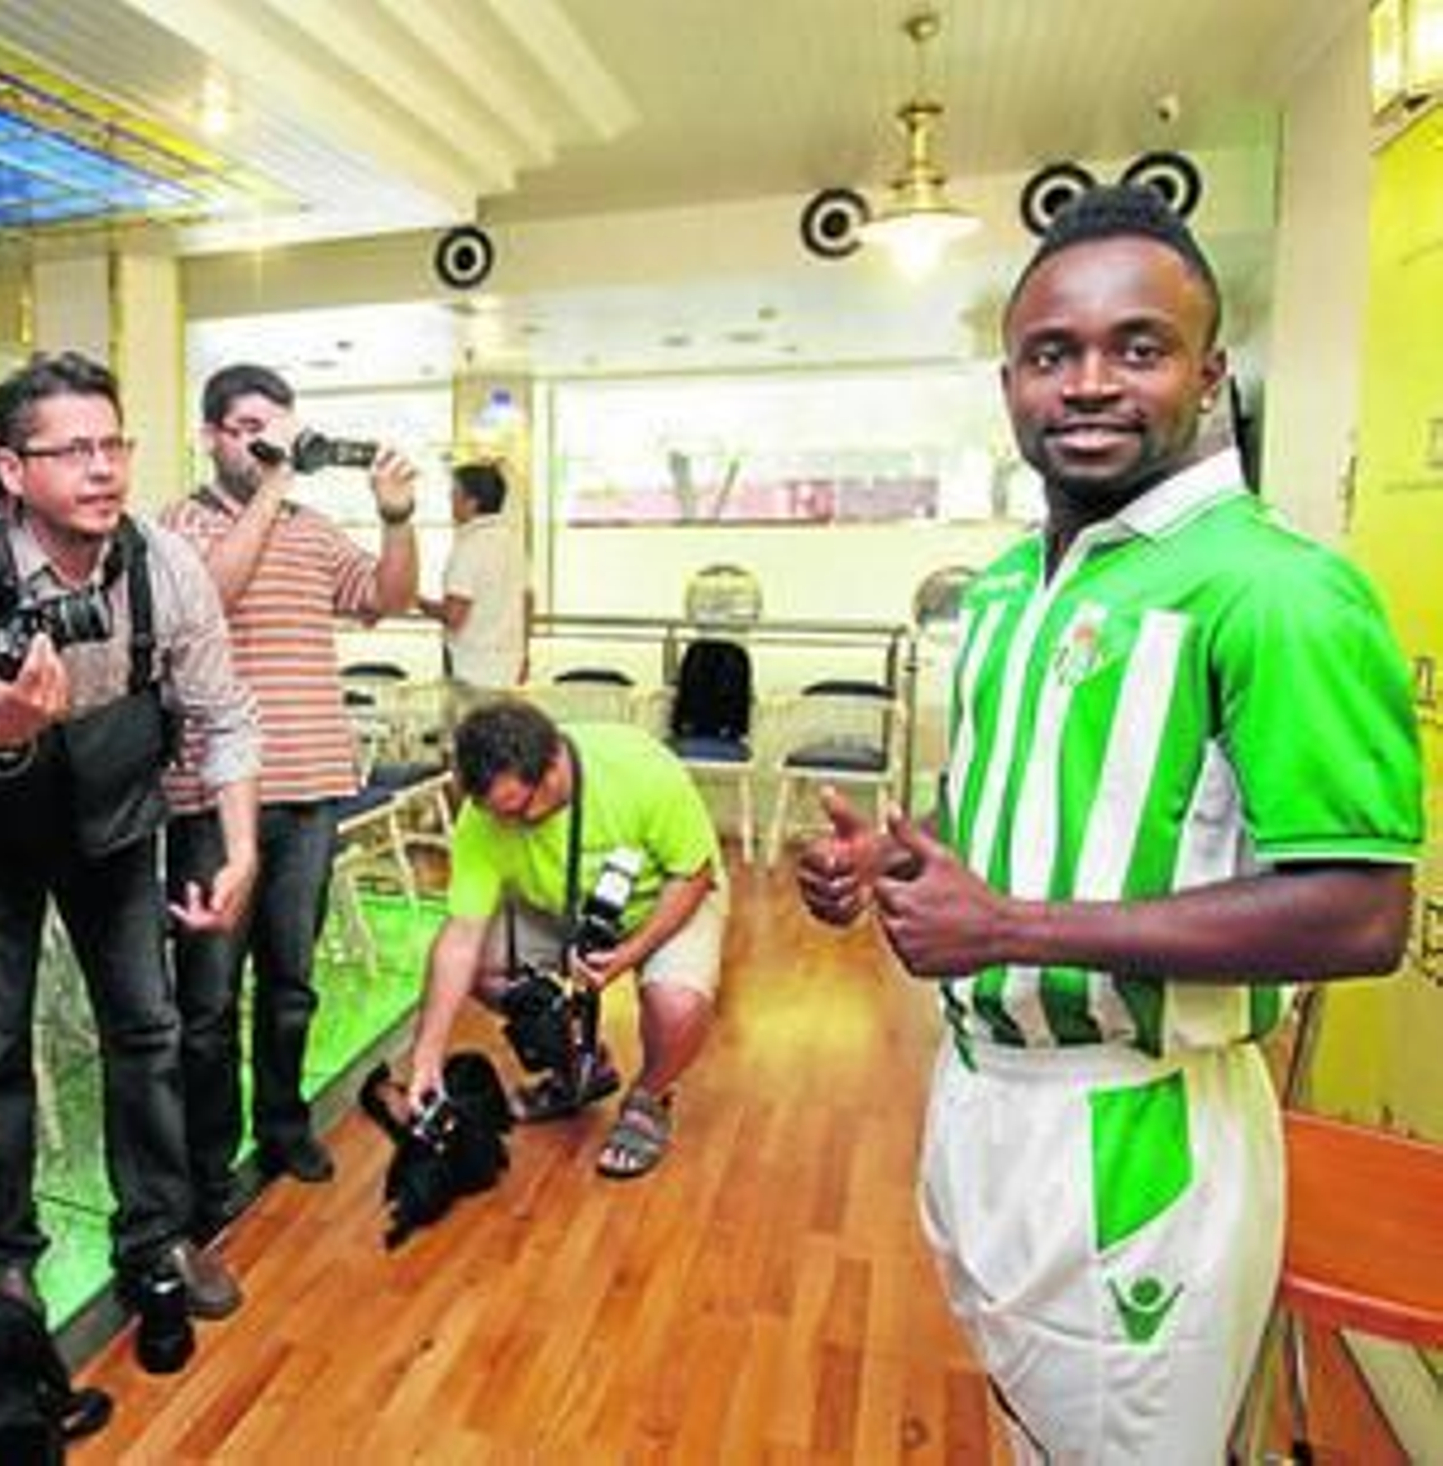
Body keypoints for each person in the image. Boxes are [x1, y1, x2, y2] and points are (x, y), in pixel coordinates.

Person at [796, 185, 1422, 1463]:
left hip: (1141, 1128)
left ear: (1208, 371)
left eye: (1136, 347)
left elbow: (1362, 911)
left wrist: (1011, 923)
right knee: (1036, 1432)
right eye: (1050, 353)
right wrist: (894, 852)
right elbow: (989, 799)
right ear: (1009, 380)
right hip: (977, 1100)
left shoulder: (1277, 591)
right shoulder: (1010, 584)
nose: (1087, 383)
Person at [0, 351, 261, 1325]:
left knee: (146, 1033)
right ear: (14, 471)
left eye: (114, 444)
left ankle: (157, 1233)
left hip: (115, 824)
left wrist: (241, 846)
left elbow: (223, 713)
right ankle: (8, 1265)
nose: (103, 468)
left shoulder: (166, 564)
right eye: (74, 450)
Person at [162, 363, 418, 1229]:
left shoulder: (313, 529)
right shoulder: (177, 526)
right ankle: (207, 1161)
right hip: (208, 796)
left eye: (276, 427)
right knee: (206, 1001)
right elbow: (211, 597)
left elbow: (388, 598)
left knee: (292, 984)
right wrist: (274, 486)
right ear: (210, 436)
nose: (264, 442)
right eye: (244, 427)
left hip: (310, 791)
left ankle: (281, 1125)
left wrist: (395, 520)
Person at [406, 699, 727, 1179]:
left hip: (666, 900)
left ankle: (649, 1097)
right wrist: (426, 1056)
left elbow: (693, 876)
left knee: (677, 1006)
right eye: (499, 815)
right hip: (559, 906)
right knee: (476, 966)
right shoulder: (488, 816)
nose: (510, 824)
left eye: (520, 809)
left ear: (554, 763)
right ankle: (580, 1066)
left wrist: (629, 955)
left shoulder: (640, 770)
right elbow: (461, 936)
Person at [417, 460, 531, 698]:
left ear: (472, 503)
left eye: (454, 495)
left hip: (471, 669)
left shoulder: (470, 545)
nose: (450, 502)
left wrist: (415, 600)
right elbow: (527, 601)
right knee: (502, 732)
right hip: (508, 665)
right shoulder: (512, 543)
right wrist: (523, 654)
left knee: (470, 732)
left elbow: (454, 616)